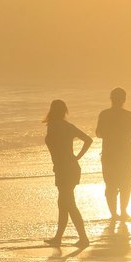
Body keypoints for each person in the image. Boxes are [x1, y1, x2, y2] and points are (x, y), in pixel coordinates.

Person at [43, 99, 92, 247]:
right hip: (70, 167)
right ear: (64, 111)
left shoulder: (52, 126)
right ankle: (59, 237)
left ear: (52, 111)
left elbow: (55, 148)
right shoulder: (68, 126)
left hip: (64, 169)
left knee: (68, 204)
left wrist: (71, 158)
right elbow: (88, 140)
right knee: (64, 203)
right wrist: (77, 157)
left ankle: (83, 238)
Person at [95, 88, 131, 222]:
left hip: (109, 154)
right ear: (124, 99)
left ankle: (114, 214)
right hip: (126, 154)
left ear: (111, 98)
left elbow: (98, 133)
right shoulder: (129, 115)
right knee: (126, 183)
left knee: (111, 184)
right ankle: (123, 212)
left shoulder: (104, 114)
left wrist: (110, 133)